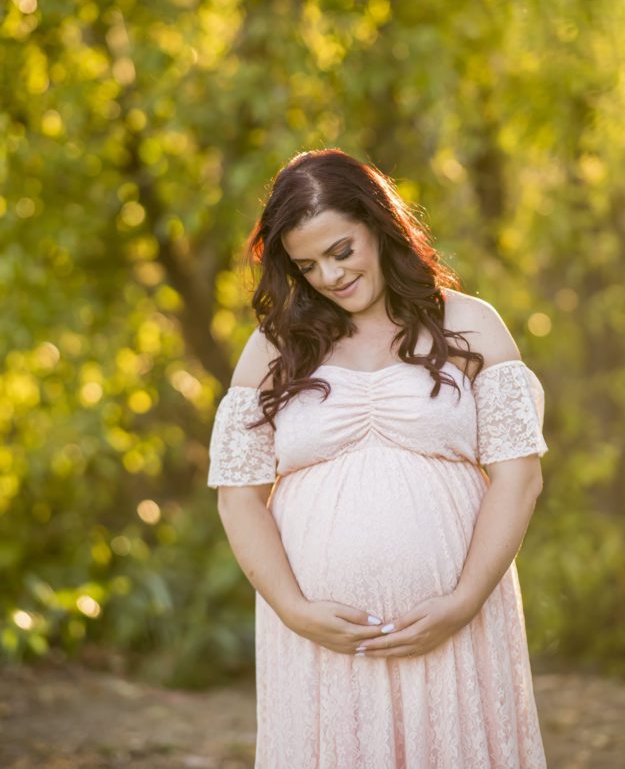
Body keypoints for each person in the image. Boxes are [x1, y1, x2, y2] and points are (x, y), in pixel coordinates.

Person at [207, 148, 549, 768]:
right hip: (320, 639)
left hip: (458, 622)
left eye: (342, 250)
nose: (331, 276)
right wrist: (295, 610)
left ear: (379, 226)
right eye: (308, 265)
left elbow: (519, 478)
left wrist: (465, 599)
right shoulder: (273, 349)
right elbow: (238, 495)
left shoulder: (469, 324)